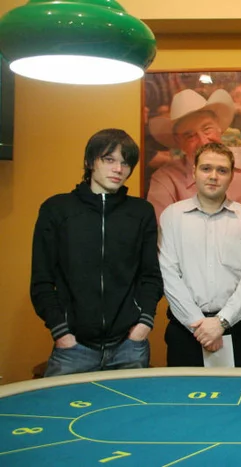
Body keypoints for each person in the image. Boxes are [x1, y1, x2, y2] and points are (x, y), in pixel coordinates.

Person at [30, 129, 163, 377]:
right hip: (73, 347)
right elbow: (41, 281)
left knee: (130, 405)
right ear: (90, 162)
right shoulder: (56, 209)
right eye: (109, 159)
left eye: (125, 163)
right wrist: (61, 332)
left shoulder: (141, 212)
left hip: (129, 347)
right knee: (62, 402)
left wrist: (144, 324)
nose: (118, 169)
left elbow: (151, 276)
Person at [158, 142, 241, 367]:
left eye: (222, 170)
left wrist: (221, 323)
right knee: (184, 390)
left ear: (231, 176)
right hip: (185, 329)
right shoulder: (172, 216)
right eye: (206, 168)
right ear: (194, 172)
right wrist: (198, 324)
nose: (213, 176)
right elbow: (168, 275)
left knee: (236, 389)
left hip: (237, 327)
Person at [147, 88, 241, 222]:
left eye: (207, 129)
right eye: (190, 136)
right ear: (179, 142)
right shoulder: (165, 180)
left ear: (219, 128)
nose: (203, 141)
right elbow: (162, 229)